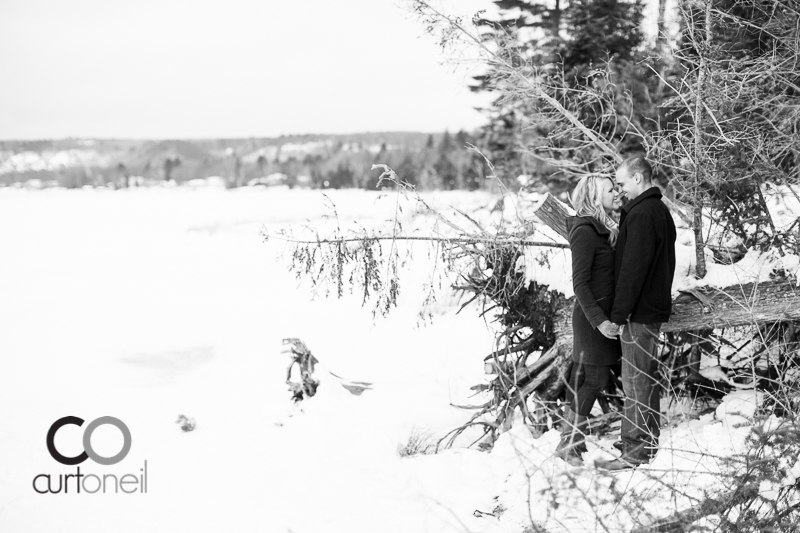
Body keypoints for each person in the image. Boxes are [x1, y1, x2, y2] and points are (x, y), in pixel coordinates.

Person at [598, 156, 677, 470]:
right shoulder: (650, 210)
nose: (619, 189)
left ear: (639, 179)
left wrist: (619, 314)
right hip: (645, 308)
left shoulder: (644, 213)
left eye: (622, 183)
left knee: (635, 381)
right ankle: (644, 440)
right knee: (641, 378)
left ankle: (635, 452)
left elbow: (633, 270)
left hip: (640, 312)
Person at [556, 175, 623, 466]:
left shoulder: (602, 226)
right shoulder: (584, 230)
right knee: (593, 380)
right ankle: (569, 443)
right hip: (592, 318)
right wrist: (600, 321)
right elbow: (580, 284)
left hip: (602, 315)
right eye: (610, 190)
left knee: (586, 379)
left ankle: (571, 441)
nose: (615, 192)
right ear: (595, 197)